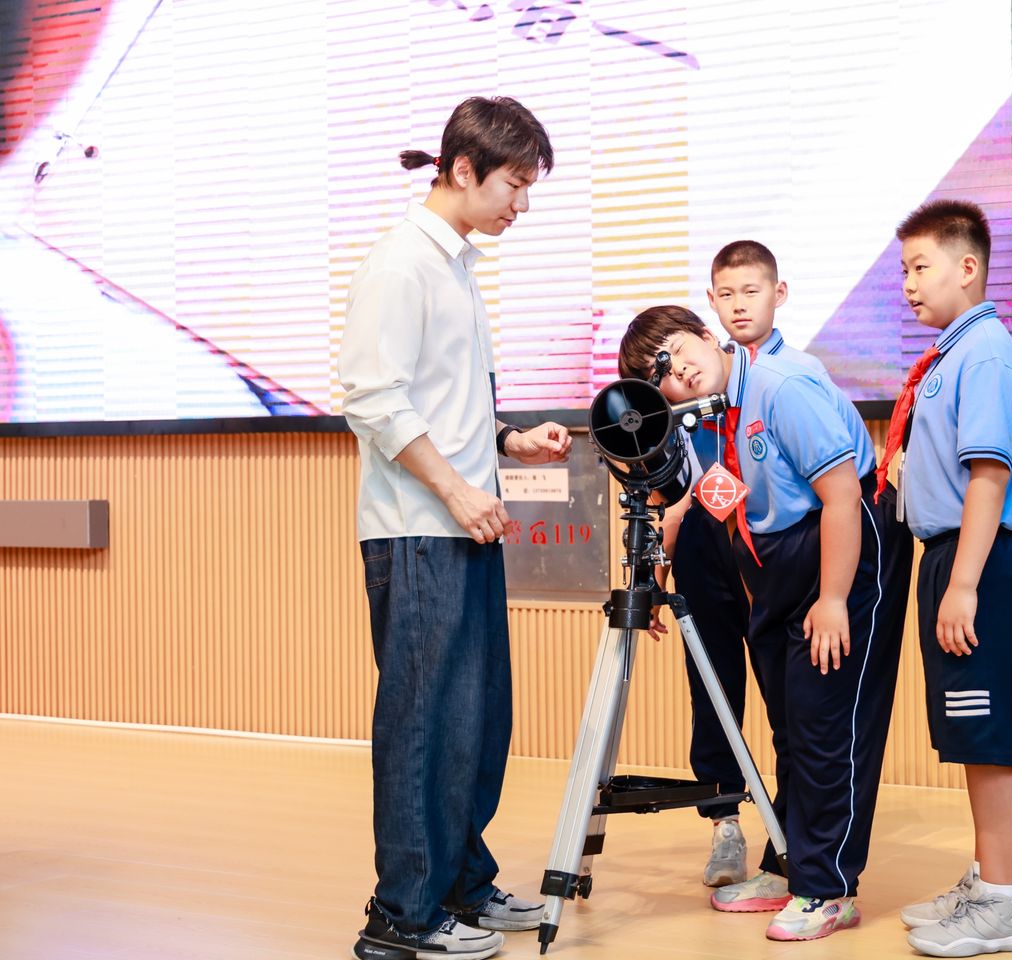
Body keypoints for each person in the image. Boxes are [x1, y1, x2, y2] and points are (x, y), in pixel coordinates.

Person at [338, 95, 573, 960]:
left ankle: (462, 885)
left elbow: (443, 401)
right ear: (464, 170)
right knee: (422, 723)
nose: (523, 204)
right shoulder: (402, 264)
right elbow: (372, 400)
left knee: (477, 719)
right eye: (515, 185)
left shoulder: (457, 266)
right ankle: (400, 914)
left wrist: (509, 441)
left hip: (463, 525)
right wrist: (457, 490)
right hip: (418, 529)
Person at [619, 304, 912, 942]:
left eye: (677, 352)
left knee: (828, 722)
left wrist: (832, 599)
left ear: (706, 335)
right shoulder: (716, 411)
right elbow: (730, 498)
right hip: (786, 560)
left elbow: (842, 495)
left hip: (844, 547)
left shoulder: (781, 386)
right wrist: (674, 527)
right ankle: (791, 867)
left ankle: (829, 888)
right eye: (658, 375)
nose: (676, 373)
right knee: (793, 723)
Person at [878, 199, 1012, 957]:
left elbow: (989, 477)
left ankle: (1005, 904)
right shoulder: (953, 355)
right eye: (904, 270)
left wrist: (965, 585)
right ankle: (985, 881)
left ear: (969, 267)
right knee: (971, 730)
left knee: (991, 732)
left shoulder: (985, 357)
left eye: (921, 267)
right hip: (956, 556)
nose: (909, 284)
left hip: (986, 560)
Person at [654, 240, 828, 887]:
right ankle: (724, 822)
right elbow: (676, 494)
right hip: (709, 553)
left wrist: (699, 506)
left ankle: (790, 831)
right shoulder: (685, 395)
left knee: (786, 697)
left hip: (768, 552)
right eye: (726, 294)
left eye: (749, 291)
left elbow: (771, 485)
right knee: (713, 692)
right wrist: (667, 542)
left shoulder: (772, 377)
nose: (739, 305)